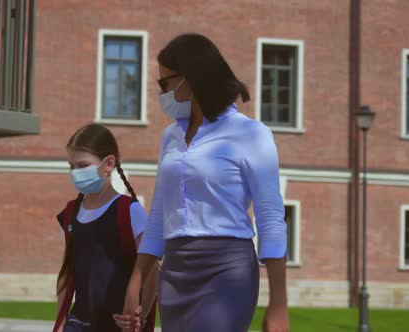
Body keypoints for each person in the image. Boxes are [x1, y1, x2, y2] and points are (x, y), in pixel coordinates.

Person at [115, 33, 289, 332]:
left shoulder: (251, 133)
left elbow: (271, 218)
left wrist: (279, 305)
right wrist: (137, 278)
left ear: (190, 78)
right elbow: (159, 212)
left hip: (227, 270)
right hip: (176, 270)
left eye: (165, 83)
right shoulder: (170, 136)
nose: (162, 92)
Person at [53, 124, 158, 332]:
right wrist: (60, 322)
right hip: (79, 323)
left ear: (108, 163)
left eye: (82, 165)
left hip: (118, 325)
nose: (75, 173)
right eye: (71, 166)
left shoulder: (130, 211)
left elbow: (152, 270)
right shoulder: (71, 213)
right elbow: (67, 273)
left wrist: (140, 315)